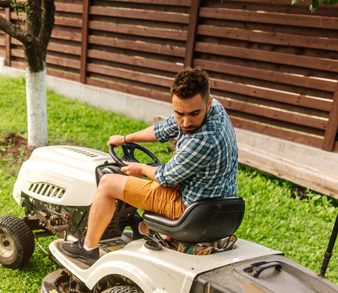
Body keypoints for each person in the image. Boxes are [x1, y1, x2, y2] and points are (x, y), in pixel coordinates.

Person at [62, 67, 238, 266]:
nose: (186, 122)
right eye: (179, 113)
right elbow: (165, 128)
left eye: (193, 114)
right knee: (138, 179)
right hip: (217, 199)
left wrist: (142, 169)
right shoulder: (215, 108)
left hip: (190, 207)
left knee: (108, 183)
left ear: (208, 102)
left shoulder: (204, 141)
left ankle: (87, 249)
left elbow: (165, 176)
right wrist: (126, 138)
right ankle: (141, 227)